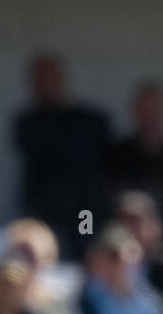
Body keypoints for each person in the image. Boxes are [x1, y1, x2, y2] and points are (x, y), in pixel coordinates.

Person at [11, 53, 110, 258]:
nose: (47, 85)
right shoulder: (28, 122)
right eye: (41, 80)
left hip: (86, 212)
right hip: (46, 215)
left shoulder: (88, 120)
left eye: (51, 78)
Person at [103, 81, 163, 248]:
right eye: (145, 110)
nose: (150, 116)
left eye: (155, 110)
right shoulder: (115, 154)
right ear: (135, 112)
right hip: (123, 236)